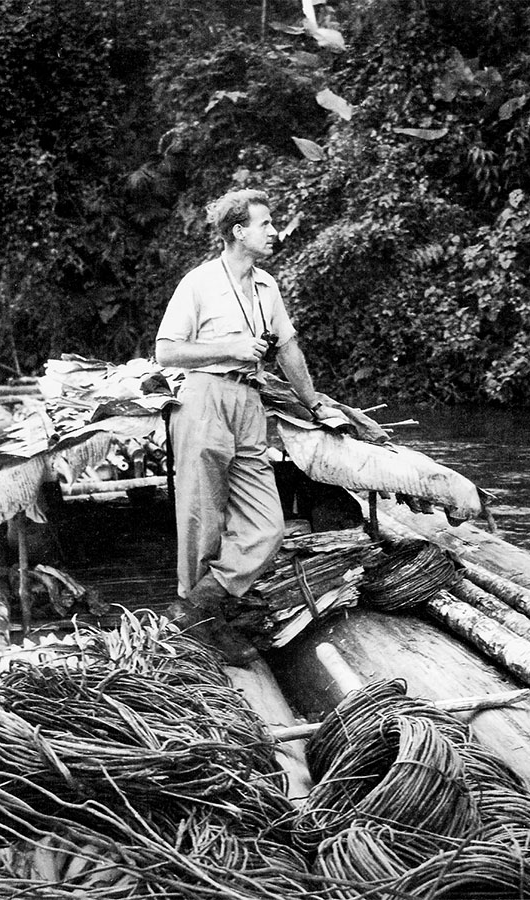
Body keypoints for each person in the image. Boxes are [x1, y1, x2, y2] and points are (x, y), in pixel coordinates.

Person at [155, 189, 339, 665]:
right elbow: (167, 351)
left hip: (249, 401)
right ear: (238, 232)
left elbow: (288, 348)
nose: (274, 232)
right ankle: (204, 624)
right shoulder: (199, 283)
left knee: (266, 525)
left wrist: (314, 403)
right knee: (202, 516)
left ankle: (197, 606)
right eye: (265, 224)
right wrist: (230, 349)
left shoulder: (267, 286)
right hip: (204, 398)